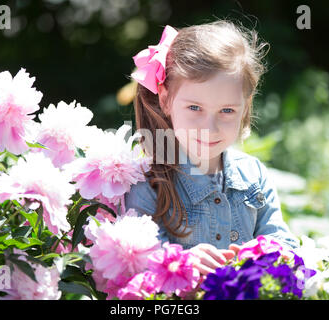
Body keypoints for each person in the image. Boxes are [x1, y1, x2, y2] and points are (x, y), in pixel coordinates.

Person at [124, 20, 299, 276]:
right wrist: (182, 263)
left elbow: (284, 245)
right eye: (195, 108)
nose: (210, 127)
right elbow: (136, 261)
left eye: (227, 110)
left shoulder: (253, 174)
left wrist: (266, 256)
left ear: (245, 106)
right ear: (165, 100)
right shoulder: (149, 182)